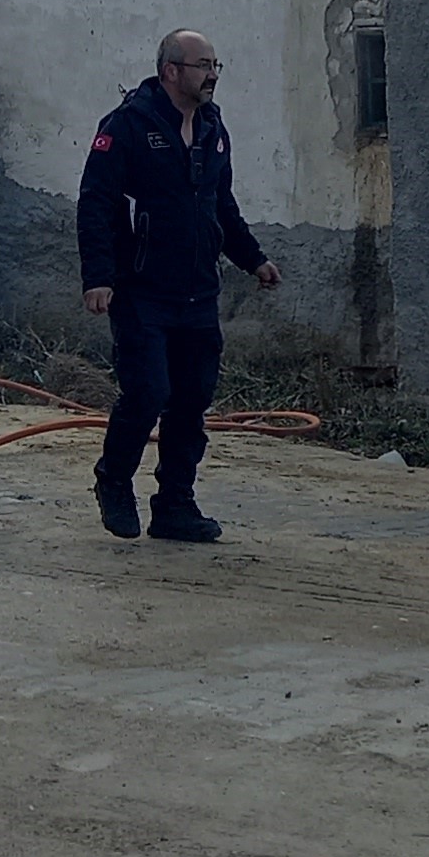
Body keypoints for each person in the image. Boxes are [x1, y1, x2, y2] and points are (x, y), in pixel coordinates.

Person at [75, 28, 279, 542]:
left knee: (191, 399)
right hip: (141, 289)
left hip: (198, 291)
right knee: (148, 393)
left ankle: (174, 505)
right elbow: (96, 203)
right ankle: (114, 481)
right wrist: (98, 277)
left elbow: (220, 203)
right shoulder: (127, 125)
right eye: (202, 65)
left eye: (215, 65)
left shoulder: (212, 127)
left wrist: (253, 259)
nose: (212, 75)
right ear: (171, 71)